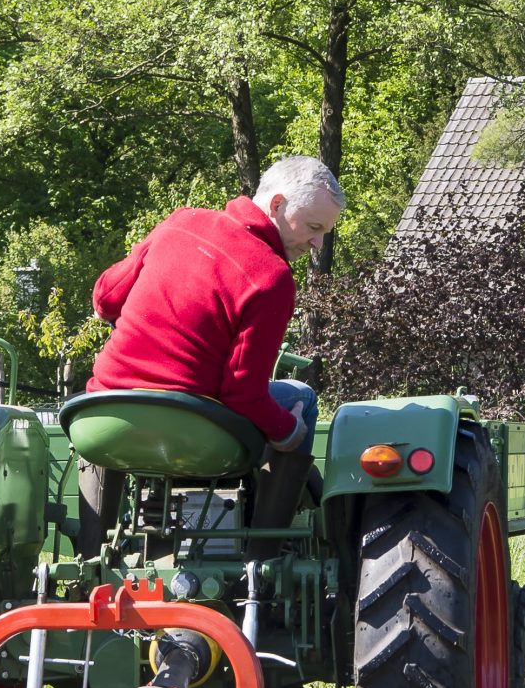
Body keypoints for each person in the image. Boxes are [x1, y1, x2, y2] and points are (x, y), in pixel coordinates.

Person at [74, 156, 344, 550]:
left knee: (106, 412)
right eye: (314, 228)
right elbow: (242, 392)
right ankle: (261, 560)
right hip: (193, 427)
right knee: (299, 398)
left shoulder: (180, 222)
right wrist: (289, 431)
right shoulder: (272, 277)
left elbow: (105, 299)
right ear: (277, 205)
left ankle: (91, 557)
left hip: (104, 415)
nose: (318, 243)